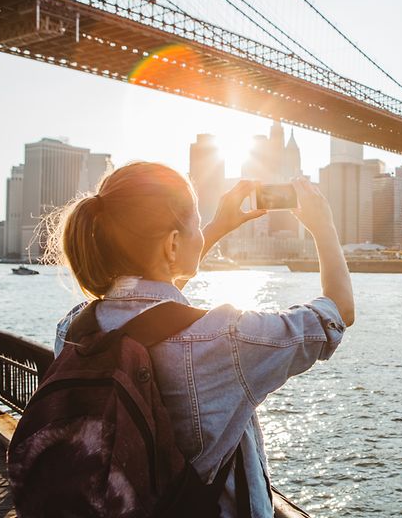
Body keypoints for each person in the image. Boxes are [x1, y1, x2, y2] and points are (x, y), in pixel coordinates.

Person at [48, 161, 354, 517]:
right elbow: (337, 312)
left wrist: (217, 226)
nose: (201, 227)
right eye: (196, 220)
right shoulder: (226, 339)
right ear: (173, 243)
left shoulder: (75, 329)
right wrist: (324, 227)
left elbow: (151, 314)